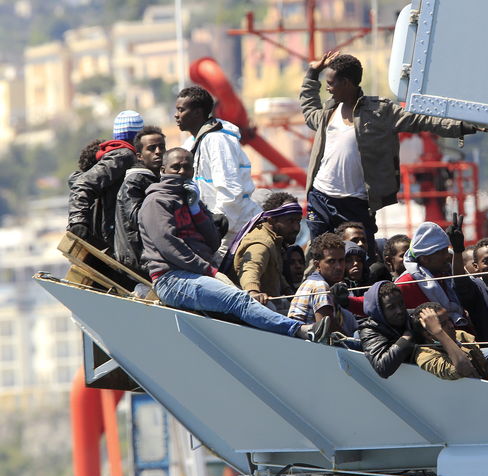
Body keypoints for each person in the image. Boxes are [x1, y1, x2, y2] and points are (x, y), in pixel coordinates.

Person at [300, 51, 485, 256]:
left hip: (356, 203)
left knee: (364, 258)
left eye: (331, 83)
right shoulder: (329, 111)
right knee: (317, 256)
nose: (327, 87)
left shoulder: (380, 111)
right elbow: (309, 111)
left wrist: (465, 126)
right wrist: (311, 73)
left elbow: (422, 120)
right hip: (320, 197)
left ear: (347, 83)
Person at [138, 148, 328, 342]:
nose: (181, 172)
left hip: (197, 275)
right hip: (172, 278)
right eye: (175, 167)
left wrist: (196, 210)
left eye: (186, 168)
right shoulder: (156, 201)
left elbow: (213, 241)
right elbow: (169, 246)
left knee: (239, 307)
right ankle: (300, 330)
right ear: (163, 170)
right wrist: (211, 271)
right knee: (238, 299)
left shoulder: (190, 199)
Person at [175, 86, 261, 255]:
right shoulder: (192, 143)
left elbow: (230, 192)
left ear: (197, 113)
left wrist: (215, 230)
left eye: (181, 110)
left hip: (233, 230)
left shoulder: (217, 141)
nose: (176, 115)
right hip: (215, 228)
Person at [68, 110, 144, 251]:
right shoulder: (124, 156)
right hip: (115, 240)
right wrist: (78, 222)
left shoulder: (115, 155)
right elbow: (83, 183)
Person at [227, 192, 303, 313]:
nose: (296, 228)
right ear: (271, 220)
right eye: (291, 221)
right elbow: (250, 267)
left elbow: (275, 271)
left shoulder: (275, 239)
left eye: (298, 221)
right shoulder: (262, 242)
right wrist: (253, 291)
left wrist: (290, 292)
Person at [114, 126, 166, 276]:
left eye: (161, 147)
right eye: (151, 148)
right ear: (140, 156)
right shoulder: (135, 182)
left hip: (152, 254)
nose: (158, 152)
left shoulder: (157, 179)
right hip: (139, 259)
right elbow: (138, 219)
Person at [395, 222, 467, 327]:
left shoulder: (446, 275)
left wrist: (458, 250)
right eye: (442, 252)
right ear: (425, 259)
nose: (447, 256)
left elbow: (465, 286)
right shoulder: (406, 283)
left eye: (446, 250)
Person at [288, 232, 357, 335]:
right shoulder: (320, 285)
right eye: (331, 261)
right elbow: (327, 329)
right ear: (317, 264)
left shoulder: (318, 283)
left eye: (341, 260)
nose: (338, 267)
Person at [411, 302, 488, 382]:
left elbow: (485, 366)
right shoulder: (426, 357)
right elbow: (465, 369)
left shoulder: (460, 335)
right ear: (429, 334)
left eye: (449, 320)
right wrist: (439, 333)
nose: (451, 326)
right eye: (442, 324)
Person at [358, 281, 417, 378]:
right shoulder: (369, 330)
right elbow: (382, 367)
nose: (399, 311)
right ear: (379, 311)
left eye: (401, 303)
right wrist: (407, 337)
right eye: (391, 307)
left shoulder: (412, 317)